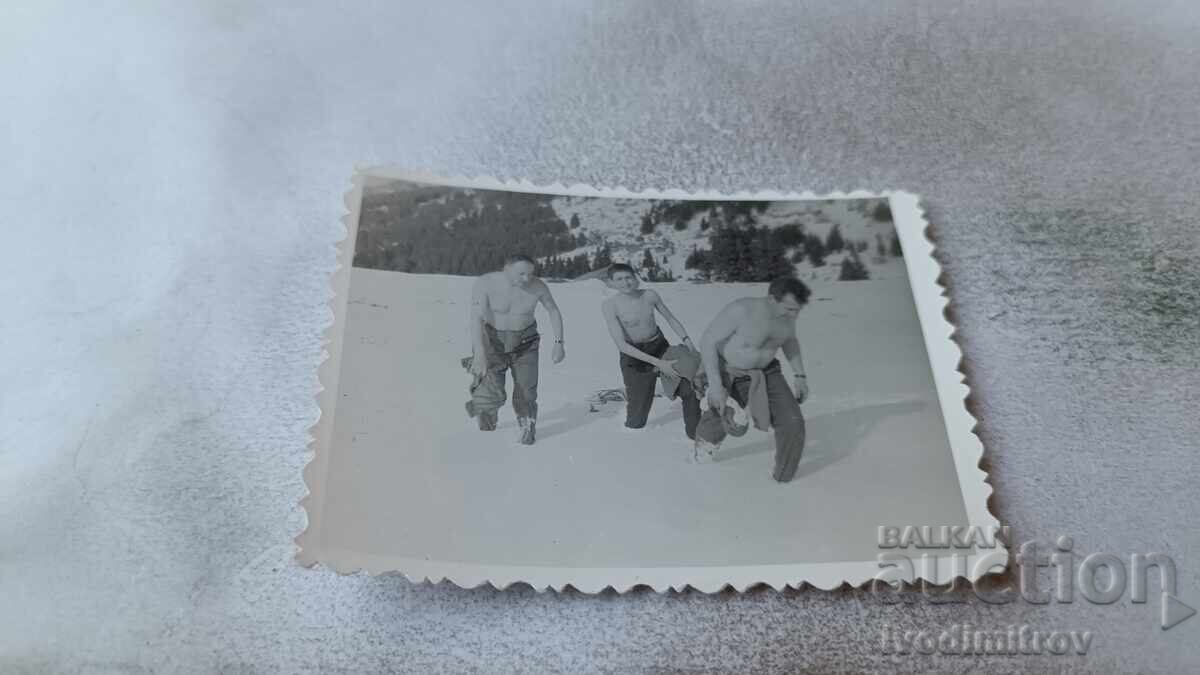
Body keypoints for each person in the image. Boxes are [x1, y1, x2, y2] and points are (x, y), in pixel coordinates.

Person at [697, 277, 811, 481]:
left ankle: (783, 480)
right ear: (771, 299)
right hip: (730, 371)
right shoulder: (742, 310)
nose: (793, 315)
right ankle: (704, 448)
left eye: (797, 310)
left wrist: (800, 375)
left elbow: (789, 340)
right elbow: (708, 341)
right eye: (789, 308)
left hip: (767, 372)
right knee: (726, 420)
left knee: (793, 423)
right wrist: (715, 385)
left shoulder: (787, 317)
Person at [462, 254, 565, 445]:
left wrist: (559, 343)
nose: (527, 279)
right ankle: (486, 429)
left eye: (530, 274)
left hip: (525, 342)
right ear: (506, 269)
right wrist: (479, 353)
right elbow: (475, 318)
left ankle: (527, 427)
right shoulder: (486, 283)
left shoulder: (538, 286)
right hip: (492, 342)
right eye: (521, 274)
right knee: (489, 390)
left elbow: (553, 310)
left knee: (527, 389)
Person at [600, 263, 702, 439]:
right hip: (634, 356)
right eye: (619, 279)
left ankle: (697, 436)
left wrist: (688, 341)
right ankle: (632, 394)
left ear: (635, 277)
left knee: (689, 387)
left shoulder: (649, 295)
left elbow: (670, 318)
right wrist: (659, 364)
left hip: (659, 347)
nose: (626, 282)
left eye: (629, 277)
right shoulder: (610, 305)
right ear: (611, 283)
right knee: (636, 420)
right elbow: (621, 345)